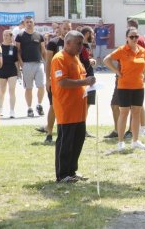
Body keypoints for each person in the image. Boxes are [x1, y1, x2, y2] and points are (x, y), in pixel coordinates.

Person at [51, 30, 95, 183]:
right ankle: (62, 175)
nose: (81, 47)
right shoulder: (59, 58)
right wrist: (85, 82)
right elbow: (62, 82)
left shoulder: (76, 58)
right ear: (68, 42)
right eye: (78, 44)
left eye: (82, 44)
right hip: (66, 108)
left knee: (77, 141)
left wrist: (89, 84)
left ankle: (72, 171)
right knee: (66, 142)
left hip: (79, 109)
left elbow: (81, 78)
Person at [104, 27, 145, 152]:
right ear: (127, 38)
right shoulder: (122, 50)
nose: (134, 39)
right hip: (124, 86)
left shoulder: (142, 50)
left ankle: (135, 141)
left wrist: (143, 76)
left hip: (139, 86)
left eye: (136, 36)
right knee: (124, 113)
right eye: (132, 37)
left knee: (136, 113)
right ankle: (121, 141)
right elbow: (106, 60)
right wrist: (117, 71)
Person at [42, 20, 71, 143]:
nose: (67, 31)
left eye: (69, 28)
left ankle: (64, 133)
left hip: (69, 81)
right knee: (53, 106)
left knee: (67, 107)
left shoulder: (73, 43)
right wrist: (48, 79)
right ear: (60, 29)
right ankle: (49, 133)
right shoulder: (53, 43)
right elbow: (48, 61)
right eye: (65, 28)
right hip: (55, 81)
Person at [15, 16, 47, 118]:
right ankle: (29, 108)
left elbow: (43, 50)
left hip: (39, 64)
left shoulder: (39, 35)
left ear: (34, 23)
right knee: (28, 88)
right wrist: (21, 63)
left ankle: (39, 105)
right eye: (27, 22)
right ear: (24, 23)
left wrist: (46, 63)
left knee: (41, 86)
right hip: (27, 64)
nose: (29, 23)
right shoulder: (20, 36)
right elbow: (18, 51)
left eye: (31, 22)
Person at [0, 30, 20, 119]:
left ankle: (12, 111)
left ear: (11, 37)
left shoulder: (13, 48)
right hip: (1, 71)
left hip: (12, 71)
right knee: (2, 91)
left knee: (12, 90)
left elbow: (16, 61)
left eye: (7, 35)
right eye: (4, 35)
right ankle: (0, 109)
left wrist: (18, 72)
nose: (5, 37)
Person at [79, 26, 97, 137]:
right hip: (83, 79)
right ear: (87, 34)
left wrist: (91, 61)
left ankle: (83, 129)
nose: (93, 36)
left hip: (90, 78)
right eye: (92, 34)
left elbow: (87, 60)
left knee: (88, 103)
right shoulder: (79, 46)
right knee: (83, 105)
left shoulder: (87, 46)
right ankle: (81, 129)